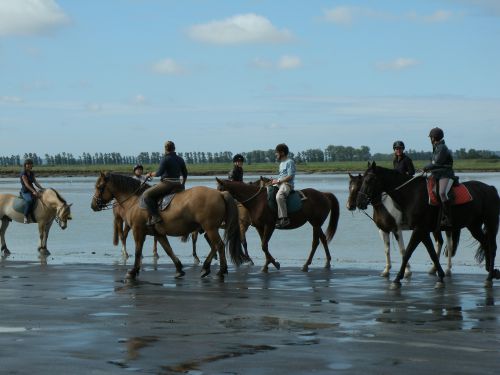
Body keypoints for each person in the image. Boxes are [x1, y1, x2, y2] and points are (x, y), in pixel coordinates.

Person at [143, 141, 187, 226]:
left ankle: (156, 217)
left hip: (167, 184)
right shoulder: (180, 159)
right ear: (174, 148)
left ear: (165, 149)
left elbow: (159, 173)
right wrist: (183, 184)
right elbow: (185, 173)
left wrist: (150, 174)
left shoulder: (165, 159)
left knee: (146, 195)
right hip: (178, 183)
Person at [423, 127, 455, 227]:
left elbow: (437, 162)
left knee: (441, 193)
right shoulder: (436, 147)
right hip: (437, 174)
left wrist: (426, 167)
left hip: (445, 174)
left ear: (434, 138)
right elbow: (433, 162)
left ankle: (447, 218)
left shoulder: (442, 148)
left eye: (431, 137)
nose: (430, 139)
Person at [271, 143, 296, 229]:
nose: (276, 154)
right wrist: (274, 181)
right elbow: (281, 176)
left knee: (279, 197)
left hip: (287, 184)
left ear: (282, 153)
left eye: (277, 152)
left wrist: (278, 181)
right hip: (279, 184)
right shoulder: (281, 163)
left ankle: (284, 219)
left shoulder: (290, 162)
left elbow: (290, 176)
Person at [20, 158, 43, 224]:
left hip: (32, 190)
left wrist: (42, 188)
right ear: (25, 165)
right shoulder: (23, 173)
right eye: (28, 164)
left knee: (41, 197)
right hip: (25, 191)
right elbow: (26, 184)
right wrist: (34, 191)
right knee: (29, 200)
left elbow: (35, 182)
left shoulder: (32, 173)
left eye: (30, 164)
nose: (29, 165)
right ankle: (25, 216)